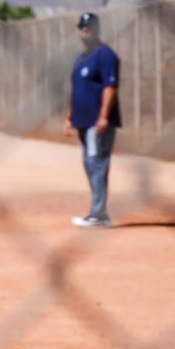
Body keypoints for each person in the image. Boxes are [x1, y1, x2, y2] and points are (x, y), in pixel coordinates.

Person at [63, 12, 121, 228]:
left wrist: (104, 116)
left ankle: (98, 214)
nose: (85, 32)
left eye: (88, 28)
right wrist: (69, 117)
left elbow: (110, 87)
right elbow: (76, 90)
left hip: (97, 123)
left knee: (96, 164)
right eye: (82, 28)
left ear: (96, 30)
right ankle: (97, 212)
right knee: (89, 163)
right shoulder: (81, 58)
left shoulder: (105, 55)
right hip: (82, 121)